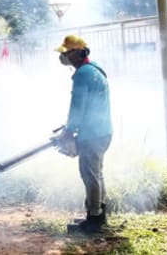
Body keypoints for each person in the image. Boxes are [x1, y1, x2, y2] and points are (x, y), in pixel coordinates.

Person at [55, 35, 112, 233]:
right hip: (103, 131)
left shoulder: (82, 75)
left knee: (89, 175)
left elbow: (77, 106)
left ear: (78, 53)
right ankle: (99, 213)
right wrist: (69, 128)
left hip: (92, 134)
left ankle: (93, 221)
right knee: (96, 173)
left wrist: (69, 131)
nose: (64, 57)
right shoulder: (95, 69)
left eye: (67, 53)